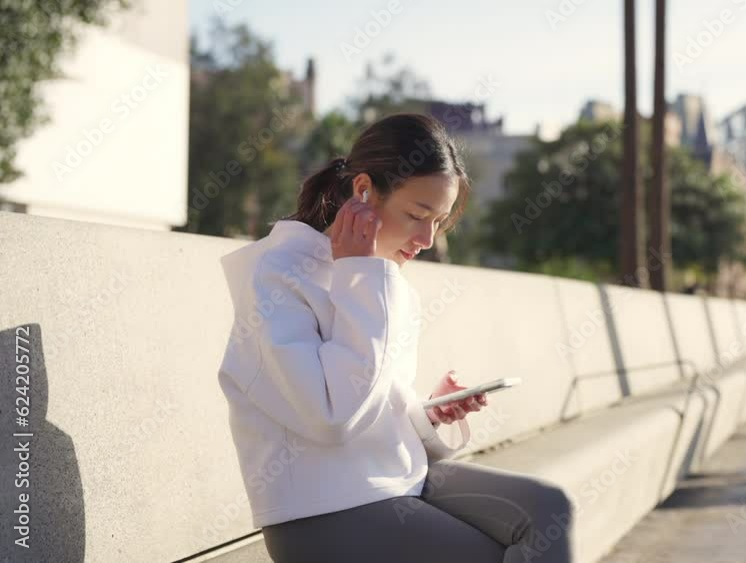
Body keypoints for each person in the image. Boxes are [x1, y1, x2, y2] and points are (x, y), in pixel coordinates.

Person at [217, 113, 575, 563]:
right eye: (417, 215)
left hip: (394, 479)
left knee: (549, 509)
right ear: (363, 191)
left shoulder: (386, 282)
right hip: (322, 509)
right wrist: (360, 273)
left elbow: (375, 407)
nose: (426, 239)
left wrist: (430, 414)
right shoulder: (279, 276)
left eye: (439, 222)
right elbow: (332, 417)